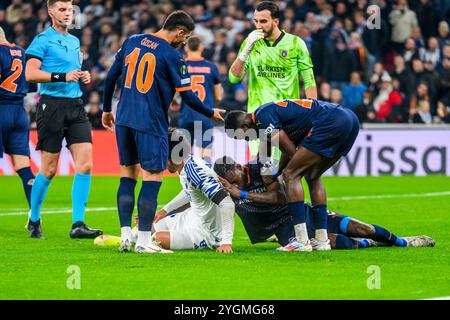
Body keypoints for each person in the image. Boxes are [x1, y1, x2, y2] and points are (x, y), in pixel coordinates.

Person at [102, 11, 225, 254]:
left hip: (124, 117)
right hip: (151, 121)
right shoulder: (172, 55)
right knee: (153, 176)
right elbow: (188, 96)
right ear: (179, 32)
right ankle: (145, 240)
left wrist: (106, 109)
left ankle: (126, 235)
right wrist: (209, 111)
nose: (184, 42)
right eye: (186, 36)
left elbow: (110, 78)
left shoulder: (131, 40)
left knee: (127, 175)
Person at [224, 98, 359, 252]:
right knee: (312, 175)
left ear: (245, 126)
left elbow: (290, 151)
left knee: (291, 175)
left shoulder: (262, 119)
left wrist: (281, 172)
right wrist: (276, 171)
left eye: (240, 136)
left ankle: (302, 241)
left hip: (331, 121)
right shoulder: (265, 115)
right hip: (348, 118)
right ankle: (321, 239)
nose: (245, 140)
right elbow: (280, 149)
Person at [213, 156, 435, 249]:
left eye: (237, 181)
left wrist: (240, 194)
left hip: (302, 213)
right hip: (283, 228)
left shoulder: (261, 166)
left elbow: (280, 197)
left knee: (362, 228)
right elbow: (198, 201)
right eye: (232, 184)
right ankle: (368, 244)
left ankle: (404, 242)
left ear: (241, 168)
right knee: (329, 243)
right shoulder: (225, 189)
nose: (237, 186)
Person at [25, 0, 102, 239]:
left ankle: (78, 223)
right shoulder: (42, 40)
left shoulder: (74, 40)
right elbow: (30, 74)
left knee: (86, 164)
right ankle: (34, 218)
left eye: (69, 10)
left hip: (76, 106)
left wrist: (82, 75)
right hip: (51, 106)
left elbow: (73, 72)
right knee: (48, 170)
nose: (67, 14)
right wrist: (62, 75)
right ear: (50, 12)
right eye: (62, 9)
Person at [228, 1, 317, 157]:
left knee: (286, 172)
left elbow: (309, 81)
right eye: (256, 21)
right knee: (263, 170)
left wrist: (313, 115)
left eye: (263, 21)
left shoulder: (296, 44)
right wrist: (246, 50)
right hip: (257, 120)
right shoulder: (251, 43)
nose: (258, 26)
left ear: (276, 22)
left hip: (288, 118)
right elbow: (234, 79)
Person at [150, 129, 235, 252]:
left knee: (156, 238)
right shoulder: (186, 163)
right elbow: (190, 191)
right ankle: (120, 239)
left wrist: (226, 242)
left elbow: (227, 203)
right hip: (192, 218)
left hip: (206, 232)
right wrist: (164, 211)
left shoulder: (195, 172)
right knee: (146, 227)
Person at [0, 27, 36, 215]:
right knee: (24, 168)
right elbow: (31, 85)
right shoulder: (23, 53)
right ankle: (35, 217)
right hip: (20, 114)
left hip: (1, 109)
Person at [179, 35, 223, 166]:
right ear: (201, 48)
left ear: (186, 48)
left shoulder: (181, 66)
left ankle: (188, 183)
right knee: (206, 154)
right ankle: (205, 181)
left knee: (185, 154)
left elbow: (174, 91)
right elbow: (218, 96)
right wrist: (213, 105)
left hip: (186, 114)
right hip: (206, 114)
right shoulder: (211, 67)